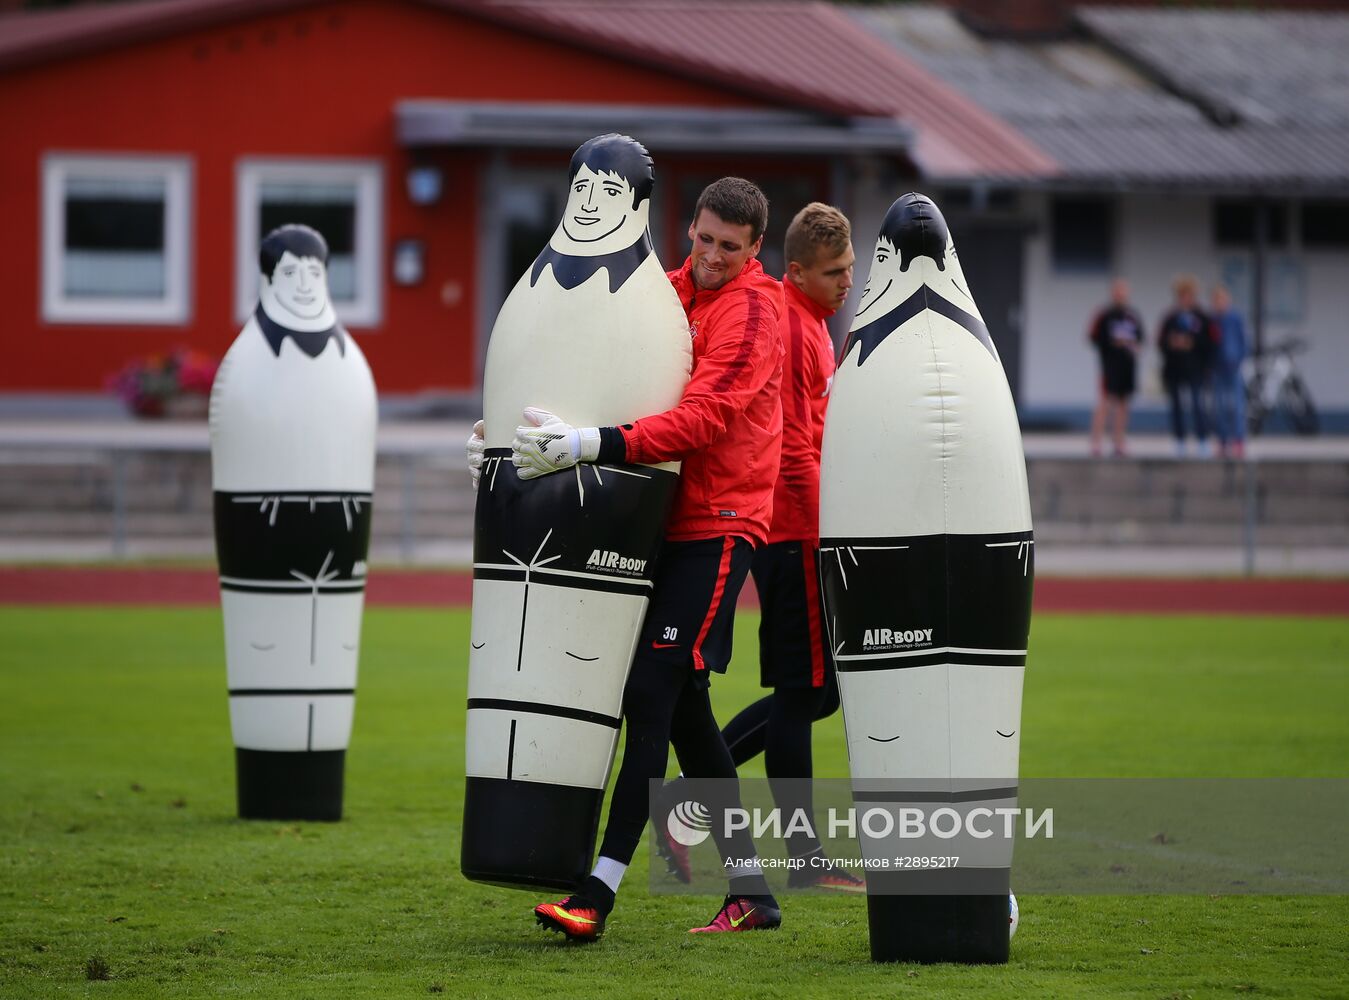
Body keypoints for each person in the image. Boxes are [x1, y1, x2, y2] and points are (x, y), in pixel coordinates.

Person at [510, 177, 787, 940]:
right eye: (702, 240)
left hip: (720, 527)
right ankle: (753, 893)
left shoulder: (757, 311)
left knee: (649, 698)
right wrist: (508, 438)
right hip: (663, 522)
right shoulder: (666, 293)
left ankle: (594, 896)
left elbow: (705, 417)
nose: (710, 257)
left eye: (729, 248)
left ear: (754, 249)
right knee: (689, 717)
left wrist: (589, 444)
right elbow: (602, 367)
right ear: (689, 228)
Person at [650, 203, 863, 893]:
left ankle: (687, 797)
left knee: (812, 694)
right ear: (794, 269)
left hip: (786, 522)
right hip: (792, 525)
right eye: (832, 272)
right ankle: (801, 862)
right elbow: (793, 443)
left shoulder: (810, 323)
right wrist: (823, 523)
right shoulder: (791, 326)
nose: (844, 282)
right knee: (803, 694)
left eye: (850, 269)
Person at [1087, 277, 1145, 458]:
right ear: (1113, 293)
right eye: (1118, 291)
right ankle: (1096, 443)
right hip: (1109, 366)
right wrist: (1114, 343)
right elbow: (1093, 337)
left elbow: (1141, 339)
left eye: (1124, 291)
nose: (1121, 295)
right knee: (1105, 403)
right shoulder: (1104, 315)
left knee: (1123, 405)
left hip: (1127, 367)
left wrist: (1133, 346)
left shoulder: (1133, 316)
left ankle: (1119, 442)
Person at [1157, 274, 1212, 457]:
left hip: (1195, 368)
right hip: (1174, 369)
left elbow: (1211, 342)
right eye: (1182, 295)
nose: (1185, 298)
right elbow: (1160, 341)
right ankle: (1179, 441)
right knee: (1177, 406)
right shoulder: (1170, 317)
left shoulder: (1202, 317)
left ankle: (1203, 441)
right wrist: (1172, 343)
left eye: (1189, 294)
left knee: (1198, 405)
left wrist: (1192, 342)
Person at [1208, 284, 1249, 459]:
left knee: (1238, 406)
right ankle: (1223, 441)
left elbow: (1244, 341)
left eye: (1223, 300)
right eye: (1217, 300)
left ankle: (1239, 441)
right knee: (1220, 407)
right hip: (1217, 369)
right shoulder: (1212, 320)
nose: (1221, 303)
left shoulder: (1236, 319)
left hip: (1234, 368)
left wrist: (1239, 358)